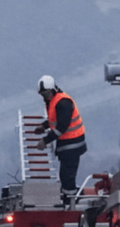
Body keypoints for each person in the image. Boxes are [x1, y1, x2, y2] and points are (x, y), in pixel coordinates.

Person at [33, 75, 87, 205]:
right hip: (67, 144)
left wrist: (45, 140)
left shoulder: (63, 103)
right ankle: (69, 199)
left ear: (52, 90)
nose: (44, 97)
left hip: (72, 144)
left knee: (67, 176)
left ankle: (71, 202)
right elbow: (56, 120)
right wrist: (44, 126)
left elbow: (61, 126)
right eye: (42, 94)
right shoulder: (55, 101)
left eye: (45, 94)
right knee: (65, 176)